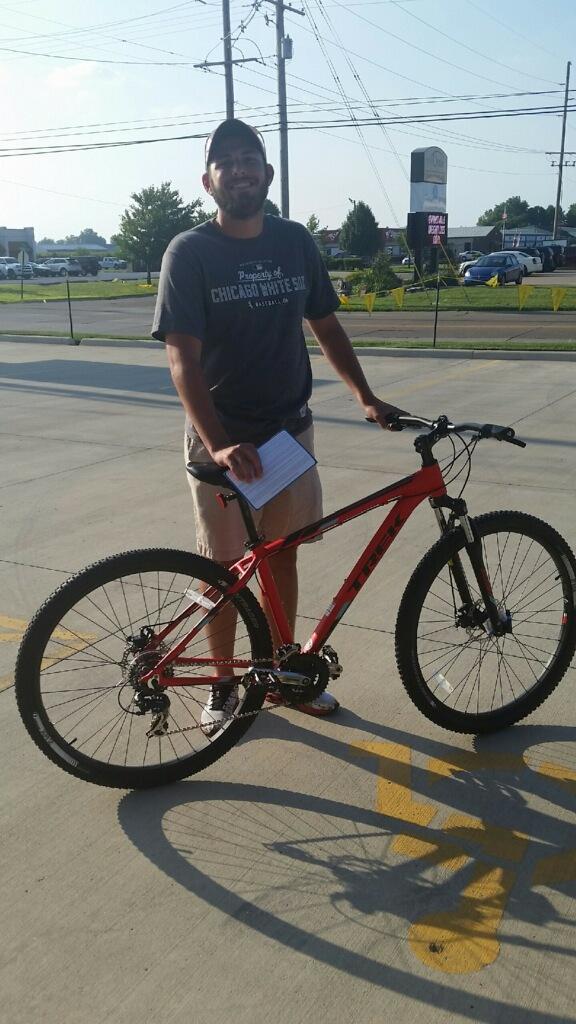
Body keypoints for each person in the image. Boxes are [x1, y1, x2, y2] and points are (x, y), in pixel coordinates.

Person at [152, 118, 406, 735]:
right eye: (225, 161)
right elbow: (181, 358)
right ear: (207, 182)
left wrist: (366, 397)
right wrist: (217, 443)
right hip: (223, 440)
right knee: (222, 572)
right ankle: (221, 684)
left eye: (250, 160)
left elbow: (326, 325)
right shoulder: (190, 253)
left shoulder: (295, 242)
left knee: (282, 559)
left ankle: (281, 673)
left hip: (289, 436)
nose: (239, 169)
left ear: (267, 175)